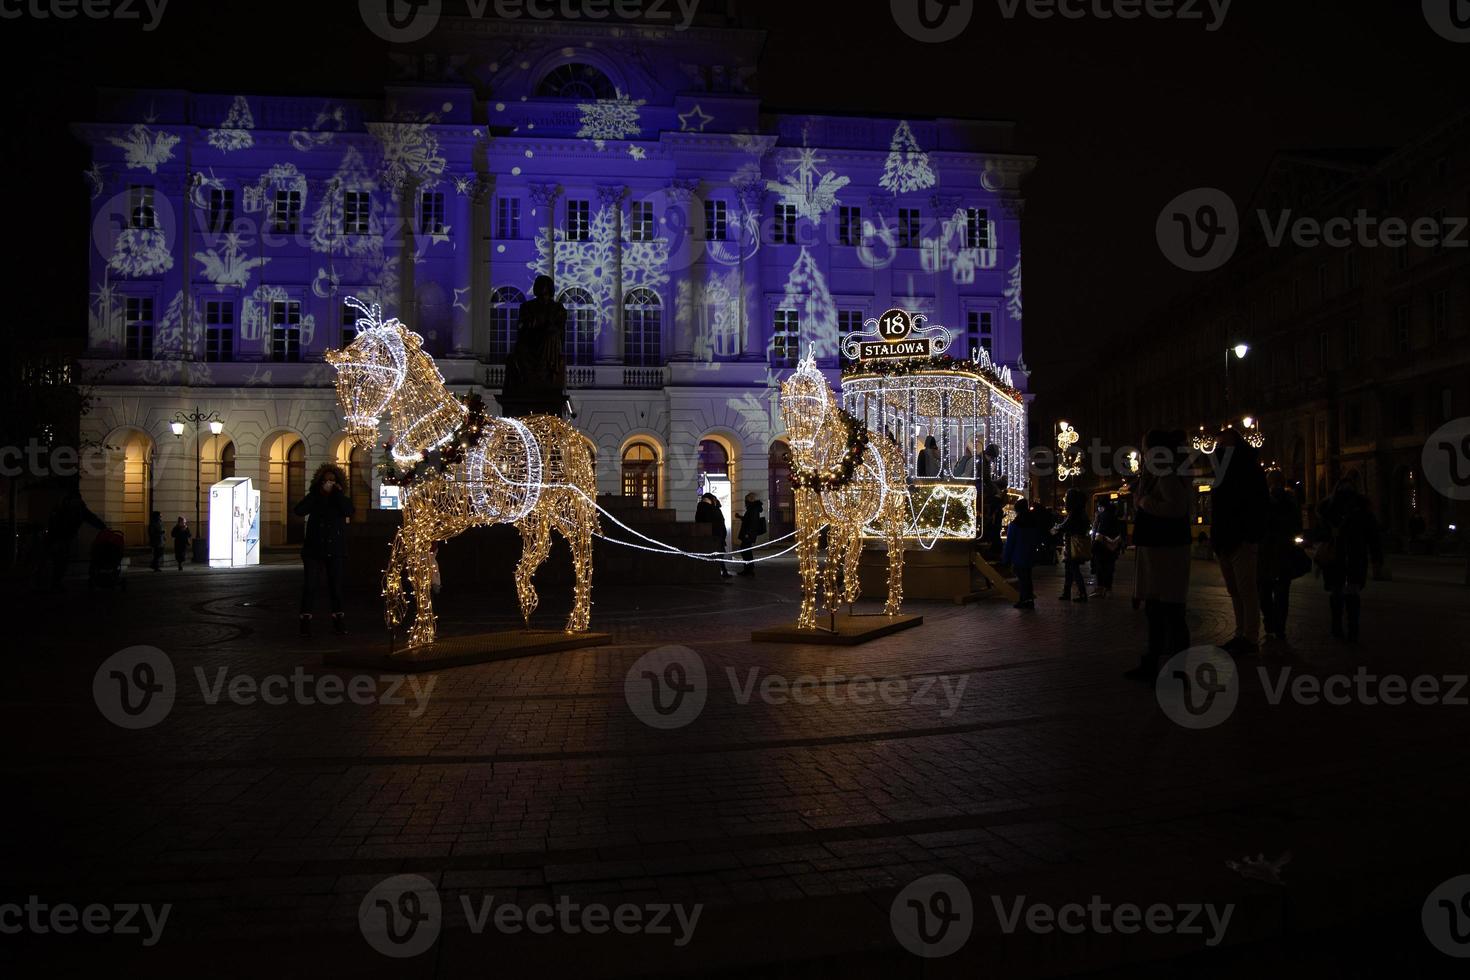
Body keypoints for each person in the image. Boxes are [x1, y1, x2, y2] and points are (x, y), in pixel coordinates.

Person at [1125, 430, 1193, 681]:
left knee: (1170, 612)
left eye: (1144, 445)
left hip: (1165, 549)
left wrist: (1143, 502)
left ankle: (1173, 670)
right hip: (1161, 548)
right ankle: (1155, 664)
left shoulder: (1164, 469)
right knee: (1158, 611)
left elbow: (1175, 507)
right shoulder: (1162, 469)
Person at [1210, 427, 1269, 654]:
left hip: (1242, 538)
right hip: (1224, 539)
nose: (1220, 449)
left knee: (1247, 589)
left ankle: (1250, 636)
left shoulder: (1249, 470)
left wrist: (1250, 534)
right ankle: (1240, 632)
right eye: (1219, 445)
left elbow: (1260, 504)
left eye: (1225, 445)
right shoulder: (1221, 472)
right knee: (1235, 589)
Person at [1315, 470, 1383, 642]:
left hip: (1343, 555)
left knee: (1340, 592)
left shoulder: (1329, 508)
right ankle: (1350, 629)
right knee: (1348, 592)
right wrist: (1376, 559)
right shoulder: (1360, 509)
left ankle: (1340, 628)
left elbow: (1321, 535)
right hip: (1351, 555)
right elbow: (1373, 536)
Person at [294, 463, 356, 636]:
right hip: (314, 549)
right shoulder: (315, 496)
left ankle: (339, 620)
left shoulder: (340, 498)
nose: (329, 482)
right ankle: (305, 621)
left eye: (332, 480)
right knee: (310, 586)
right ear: (320, 481)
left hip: (335, 549)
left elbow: (349, 510)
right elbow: (299, 510)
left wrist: (337, 493)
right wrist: (317, 494)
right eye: (326, 480)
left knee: (336, 587)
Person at [501, 274, 568, 416]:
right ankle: (535, 378)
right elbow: (521, 326)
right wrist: (531, 324)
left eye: (544, 285)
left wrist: (548, 328)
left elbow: (560, 328)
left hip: (549, 341)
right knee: (520, 350)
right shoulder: (527, 306)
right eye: (539, 285)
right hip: (530, 339)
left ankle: (545, 371)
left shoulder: (557, 307)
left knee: (551, 336)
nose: (541, 288)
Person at [1257, 468, 1301, 644]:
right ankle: (1280, 627)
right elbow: (1297, 526)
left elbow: (1257, 524)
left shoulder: (1262, 500)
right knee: (1282, 593)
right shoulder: (1291, 500)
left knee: (1264, 590)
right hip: (1284, 552)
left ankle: (1269, 622)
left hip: (1266, 552)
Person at [46, 487, 106, 590]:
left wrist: (102, 526)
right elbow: (90, 518)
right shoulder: (75, 508)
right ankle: (54, 582)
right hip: (61, 537)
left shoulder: (65, 506)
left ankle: (54, 582)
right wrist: (103, 527)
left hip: (60, 536)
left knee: (59, 560)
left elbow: (90, 517)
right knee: (60, 560)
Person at [1002, 498, 1041, 609]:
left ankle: (1024, 599)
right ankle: (1028, 599)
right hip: (1030, 553)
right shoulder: (1032, 522)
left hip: (1018, 554)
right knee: (1027, 577)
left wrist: (1006, 558)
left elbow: (1010, 543)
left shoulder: (1015, 525)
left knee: (1022, 578)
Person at [1056, 487, 1092, 602]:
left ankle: (1082, 593)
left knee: (1073, 569)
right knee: (1069, 569)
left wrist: (1057, 527)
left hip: (1072, 545)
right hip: (1075, 544)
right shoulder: (1081, 512)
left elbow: (1065, 526)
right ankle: (1067, 592)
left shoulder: (1073, 513)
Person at [1089, 497, 1124, 598]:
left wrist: (1093, 544)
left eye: (1099, 506)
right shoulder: (1114, 516)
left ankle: (1100, 589)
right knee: (1110, 567)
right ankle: (1108, 589)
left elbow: (1097, 531)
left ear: (1102, 507)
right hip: (1112, 546)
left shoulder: (1101, 516)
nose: (1098, 508)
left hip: (1102, 546)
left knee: (1100, 567)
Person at [695, 492, 731, 580]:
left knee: (713, 555)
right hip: (716, 536)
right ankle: (721, 572)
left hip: (707, 536)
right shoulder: (713, 510)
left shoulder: (700, 509)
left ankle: (721, 571)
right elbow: (720, 524)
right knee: (719, 555)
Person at [735, 493, 766, 576]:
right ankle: (749, 569)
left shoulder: (753, 509)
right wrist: (740, 517)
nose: (745, 502)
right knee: (746, 550)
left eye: (746, 500)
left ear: (750, 500)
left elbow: (752, 522)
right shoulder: (753, 508)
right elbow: (748, 520)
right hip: (749, 533)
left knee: (745, 550)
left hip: (748, 534)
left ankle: (749, 569)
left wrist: (747, 533)